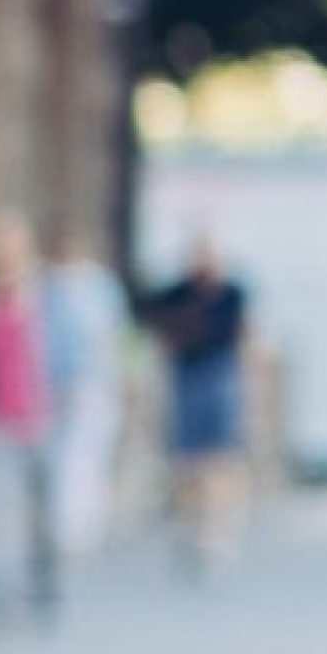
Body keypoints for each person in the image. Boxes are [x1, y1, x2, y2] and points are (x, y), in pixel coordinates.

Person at [0, 214, 86, 632]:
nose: (4, 252)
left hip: (40, 418)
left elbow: (71, 351)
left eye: (11, 244)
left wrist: (68, 400)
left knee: (41, 512)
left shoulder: (49, 296)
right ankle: (0, 593)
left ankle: (44, 586)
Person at [140, 234, 253, 579]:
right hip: (186, 379)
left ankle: (217, 532)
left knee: (220, 462)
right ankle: (191, 528)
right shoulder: (176, 293)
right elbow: (158, 327)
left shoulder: (232, 294)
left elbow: (242, 336)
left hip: (219, 379)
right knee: (187, 463)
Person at [43, 229, 135, 554]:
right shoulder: (44, 287)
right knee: (58, 456)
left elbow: (117, 335)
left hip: (93, 381)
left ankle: (82, 524)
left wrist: (125, 377)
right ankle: (59, 522)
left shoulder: (99, 288)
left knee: (86, 455)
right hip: (51, 383)